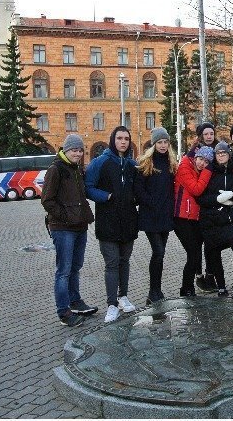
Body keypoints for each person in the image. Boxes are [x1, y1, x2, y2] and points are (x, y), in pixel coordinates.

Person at [85, 126, 139, 323]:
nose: (123, 142)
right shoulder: (100, 162)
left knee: (125, 261)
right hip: (107, 221)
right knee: (112, 263)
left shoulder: (132, 165)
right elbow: (88, 187)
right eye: (119, 138)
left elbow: (139, 187)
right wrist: (106, 196)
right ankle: (112, 304)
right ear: (113, 140)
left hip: (128, 221)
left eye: (126, 139)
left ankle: (123, 296)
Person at [41, 134, 96, 327]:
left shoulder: (77, 169)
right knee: (63, 271)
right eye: (74, 150)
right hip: (63, 228)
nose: (78, 153)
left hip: (79, 226)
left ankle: (75, 302)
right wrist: (65, 216)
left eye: (80, 150)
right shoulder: (56, 169)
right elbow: (47, 200)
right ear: (66, 150)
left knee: (75, 267)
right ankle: (63, 311)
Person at [196, 141, 233, 298]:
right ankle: (220, 286)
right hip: (212, 219)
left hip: (231, 218)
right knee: (213, 252)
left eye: (224, 153)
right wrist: (217, 199)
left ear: (229, 154)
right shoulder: (208, 173)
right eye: (218, 153)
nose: (221, 156)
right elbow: (201, 198)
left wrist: (232, 196)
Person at [134, 127, 178, 305]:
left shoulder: (171, 163)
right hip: (151, 216)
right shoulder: (146, 163)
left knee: (160, 253)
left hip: (165, 216)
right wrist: (152, 203)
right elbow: (139, 190)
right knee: (158, 252)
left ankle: (157, 291)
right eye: (159, 142)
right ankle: (153, 291)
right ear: (154, 144)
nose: (163, 145)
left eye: (165, 142)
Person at [173, 145, 213, 297]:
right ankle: (186, 289)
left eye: (207, 162)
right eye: (201, 159)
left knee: (194, 254)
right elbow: (196, 189)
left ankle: (188, 288)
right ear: (195, 157)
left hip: (194, 218)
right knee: (193, 254)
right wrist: (208, 171)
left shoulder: (197, 170)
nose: (202, 163)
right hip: (182, 218)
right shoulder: (185, 166)